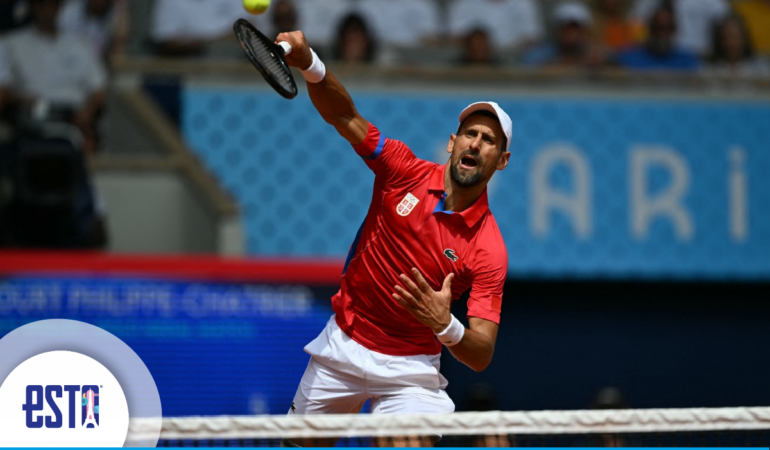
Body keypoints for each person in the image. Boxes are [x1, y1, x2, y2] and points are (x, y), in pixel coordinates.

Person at [275, 29, 511, 446]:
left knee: (405, 443)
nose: (477, 142)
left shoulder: (488, 248)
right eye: (470, 133)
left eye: (489, 140)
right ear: (453, 143)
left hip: (411, 368)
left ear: (501, 161)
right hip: (343, 344)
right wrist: (310, 63)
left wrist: (446, 325)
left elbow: (482, 354)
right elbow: (345, 117)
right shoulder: (403, 171)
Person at [0, 0, 107, 156]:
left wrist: (87, 112)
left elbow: (98, 88)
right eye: (42, 4)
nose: (48, 9)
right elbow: (3, 88)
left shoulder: (79, 45)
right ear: (33, 6)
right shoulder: (11, 43)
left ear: (60, 7)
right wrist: (20, 100)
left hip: (73, 116)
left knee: (86, 139)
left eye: (53, 4)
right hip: (31, 115)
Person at [630, 0, 730, 57]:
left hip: (703, 57)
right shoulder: (646, 3)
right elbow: (636, 30)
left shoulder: (713, 3)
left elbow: (727, 31)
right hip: (657, 56)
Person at [522, 1, 605, 69]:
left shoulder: (594, 52)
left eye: (576, 29)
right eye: (566, 29)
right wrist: (563, 63)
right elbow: (527, 64)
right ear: (557, 30)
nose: (571, 34)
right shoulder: (542, 53)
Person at [616, 4, 700, 71]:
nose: (662, 34)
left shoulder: (687, 61)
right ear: (650, 29)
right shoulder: (629, 59)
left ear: (674, 30)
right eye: (659, 28)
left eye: (668, 28)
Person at [57, 0, 129, 61]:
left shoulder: (114, 17)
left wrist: (122, 11)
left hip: (95, 67)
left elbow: (121, 40)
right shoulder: (68, 14)